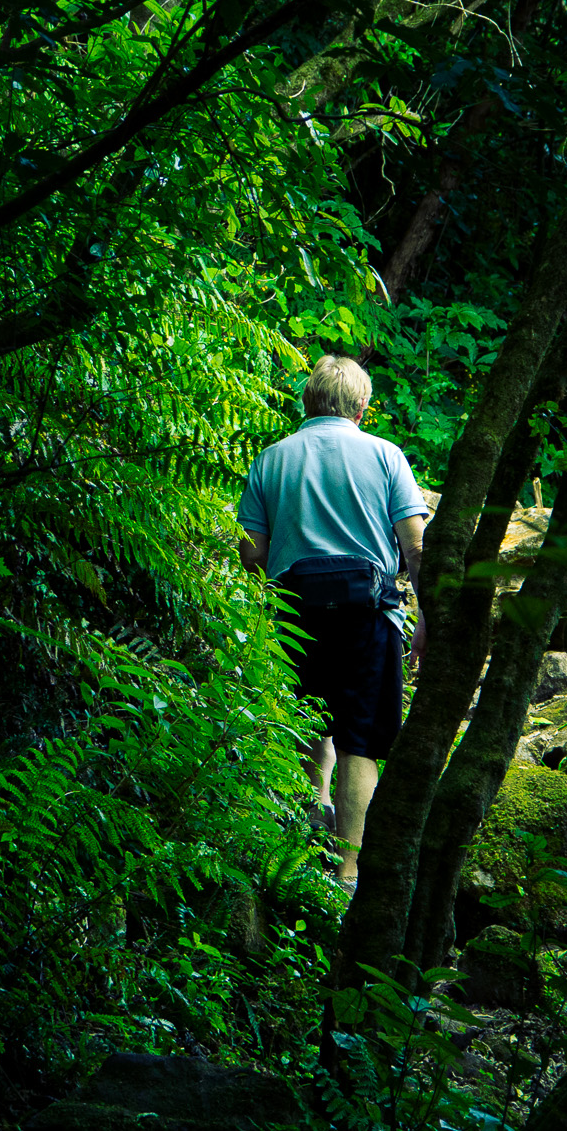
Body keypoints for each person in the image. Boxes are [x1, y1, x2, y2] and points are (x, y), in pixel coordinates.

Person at [237, 353, 429, 883]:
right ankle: (347, 876)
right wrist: (428, 620)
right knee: (360, 742)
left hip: (295, 613)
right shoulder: (386, 455)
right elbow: (416, 547)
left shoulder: (271, 459)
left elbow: (252, 553)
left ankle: (308, 836)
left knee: (308, 723)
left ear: (307, 401)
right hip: (368, 617)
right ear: (362, 408)